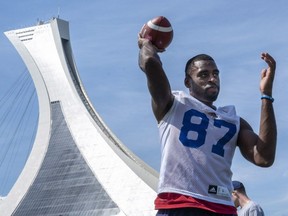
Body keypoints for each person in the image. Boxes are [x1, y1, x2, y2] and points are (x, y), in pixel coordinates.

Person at [137, 36, 277, 216]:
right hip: (180, 203)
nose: (212, 78)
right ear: (188, 82)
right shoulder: (172, 104)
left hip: (221, 207)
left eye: (215, 74)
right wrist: (146, 43)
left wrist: (266, 95)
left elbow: (264, 158)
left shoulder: (233, 120)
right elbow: (149, 62)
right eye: (204, 74)